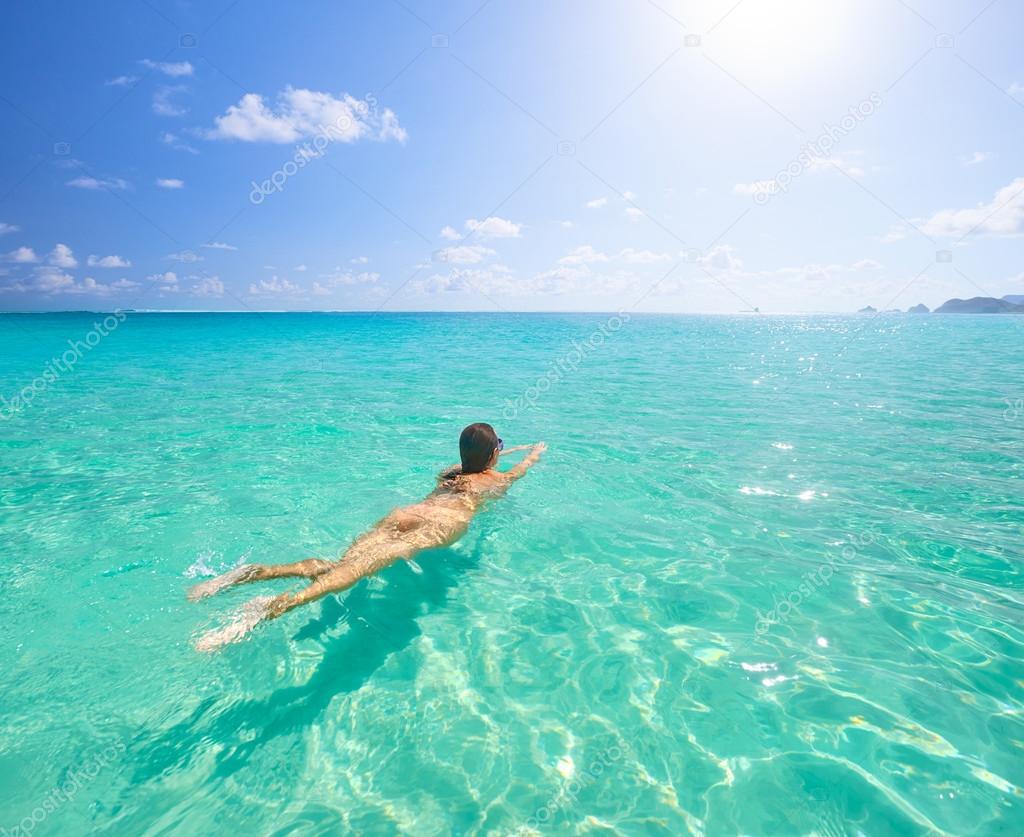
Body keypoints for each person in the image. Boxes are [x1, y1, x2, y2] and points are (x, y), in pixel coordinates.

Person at [189, 423, 546, 651]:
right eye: (498, 446)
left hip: (408, 512)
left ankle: (256, 572)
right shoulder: (493, 481)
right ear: (493, 454)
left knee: (342, 564)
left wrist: (492, 451)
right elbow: (520, 470)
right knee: (353, 574)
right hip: (440, 525)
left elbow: (469, 463)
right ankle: (269, 609)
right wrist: (533, 452)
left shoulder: (451, 473)